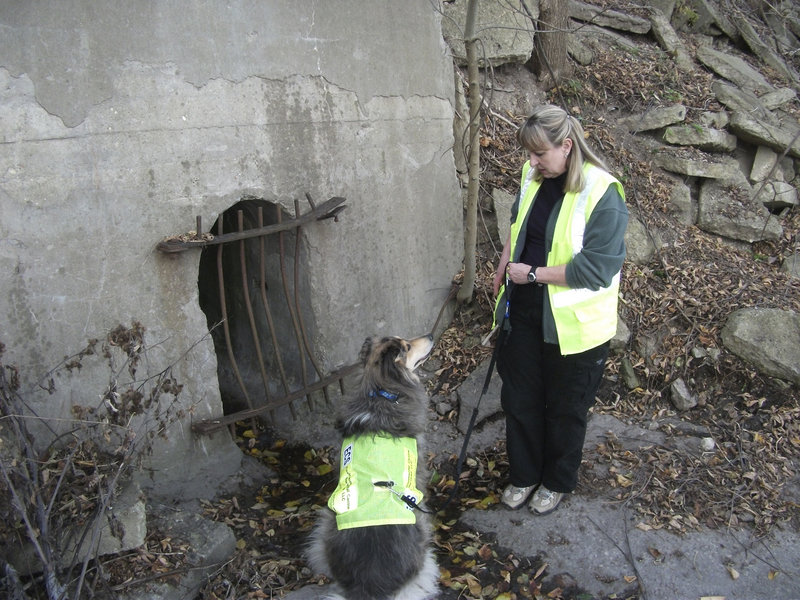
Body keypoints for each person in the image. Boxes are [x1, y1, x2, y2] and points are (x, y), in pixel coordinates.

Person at [491, 104, 628, 515]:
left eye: (540, 154)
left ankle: (555, 481)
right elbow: (517, 228)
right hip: (523, 310)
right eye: (529, 155)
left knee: (565, 410)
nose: (531, 163)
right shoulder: (532, 174)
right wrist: (503, 265)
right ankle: (525, 474)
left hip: (576, 328)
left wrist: (531, 274)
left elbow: (596, 269)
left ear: (567, 146)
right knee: (521, 399)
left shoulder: (603, 192)